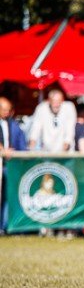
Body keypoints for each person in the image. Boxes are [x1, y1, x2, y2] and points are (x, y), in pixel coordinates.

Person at [0, 97, 27, 233]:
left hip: (10, 166)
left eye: (8, 110)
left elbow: (22, 145)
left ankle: (5, 226)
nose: (6, 112)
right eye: (3, 110)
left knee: (9, 197)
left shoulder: (13, 125)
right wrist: (2, 150)